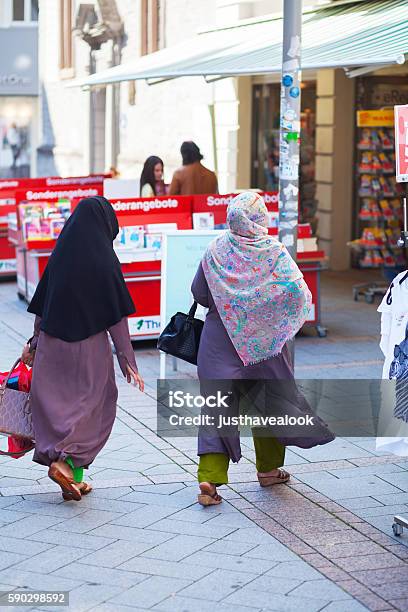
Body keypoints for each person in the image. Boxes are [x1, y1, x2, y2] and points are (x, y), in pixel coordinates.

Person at [191, 191, 333, 506]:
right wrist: (269, 314)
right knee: (269, 402)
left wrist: (232, 304)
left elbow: (199, 292)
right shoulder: (275, 252)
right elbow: (298, 292)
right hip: (266, 344)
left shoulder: (215, 250)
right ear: (259, 218)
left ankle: (209, 478)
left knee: (217, 407)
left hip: (219, 344)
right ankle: (268, 470)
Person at [22, 196, 144, 501]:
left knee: (61, 409)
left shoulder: (60, 254)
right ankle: (64, 465)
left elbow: (42, 307)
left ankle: (72, 478)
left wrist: (34, 344)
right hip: (89, 350)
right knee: (95, 407)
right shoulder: (104, 259)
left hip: (52, 348)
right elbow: (116, 316)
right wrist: (127, 359)